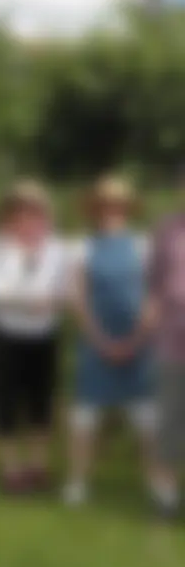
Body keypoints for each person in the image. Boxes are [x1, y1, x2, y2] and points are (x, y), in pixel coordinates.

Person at [64, 174, 172, 511]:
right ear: (95, 210)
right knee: (84, 420)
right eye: (105, 206)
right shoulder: (81, 247)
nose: (111, 211)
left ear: (127, 209)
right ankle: (77, 483)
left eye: (118, 205)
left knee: (148, 423)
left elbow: (155, 297)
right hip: (96, 345)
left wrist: (135, 340)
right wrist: (101, 342)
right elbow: (79, 301)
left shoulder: (144, 245)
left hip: (138, 345)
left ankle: (159, 487)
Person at [0, 179, 67, 495]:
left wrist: (53, 300)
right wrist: (27, 300)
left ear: (43, 212)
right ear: (9, 213)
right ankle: (11, 469)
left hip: (44, 334)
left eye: (33, 209)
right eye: (19, 209)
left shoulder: (56, 246)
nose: (26, 216)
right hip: (7, 334)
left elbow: (66, 288)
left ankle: (38, 466)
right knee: (5, 403)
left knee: (41, 403)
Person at [142, 166, 185, 520]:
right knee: (168, 421)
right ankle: (166, 499)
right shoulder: (167, 231)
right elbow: (154, 286)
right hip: (172, 341)